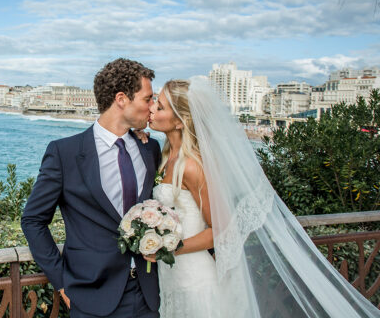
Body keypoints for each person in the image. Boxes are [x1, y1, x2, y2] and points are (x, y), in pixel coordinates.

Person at [142, 77, 378, 317]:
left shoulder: (192, 167)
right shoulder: (165, 156)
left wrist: (170, 247)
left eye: (159, 106)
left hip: (193, 278)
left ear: (181, 122)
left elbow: (220, 230)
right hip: (170, 274)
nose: (151, 108)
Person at [21, 58, 162, 317]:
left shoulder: (150, 149)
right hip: (91, 298)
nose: (152, 108)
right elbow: (32, 220)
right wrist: (61, 282)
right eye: (147, 99)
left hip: (148, 295)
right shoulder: (65, 153)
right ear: (122, 99)